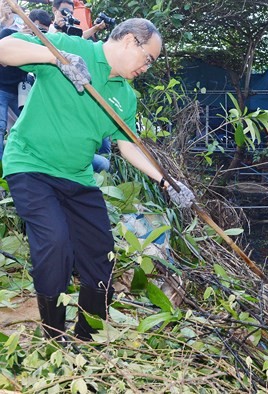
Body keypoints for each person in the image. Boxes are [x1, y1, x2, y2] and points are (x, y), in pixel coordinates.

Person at [0, 17, 195, 342]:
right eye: (149, 58)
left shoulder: (125, 96)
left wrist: (166, 182)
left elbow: (129, 146)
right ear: (131, 40)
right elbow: (4, 49)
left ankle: (86, 337)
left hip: (76, 176)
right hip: (31, 166)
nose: (147, 67)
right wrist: (57, 60)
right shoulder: (70, 48)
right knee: (55, 243)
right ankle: (54, 335)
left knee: (101, 252)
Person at [0, 28, 28, 161]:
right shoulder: (7, 34)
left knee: (28, 124)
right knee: (1, 126)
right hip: (1, 89)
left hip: (18, 91)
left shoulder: (29, 40)